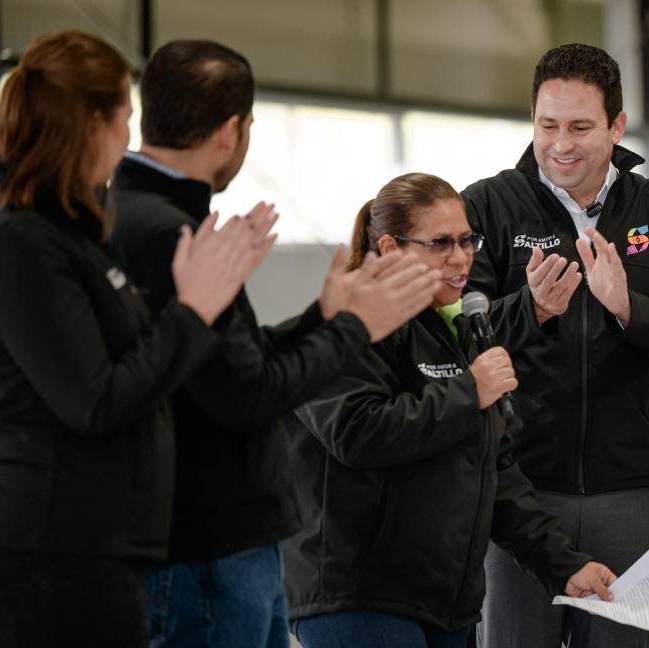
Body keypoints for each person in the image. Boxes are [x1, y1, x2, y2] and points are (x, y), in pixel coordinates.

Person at [110, 40, 442, 648]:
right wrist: (354, 328)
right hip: (208, 543)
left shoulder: (142, 214)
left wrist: (323, 315)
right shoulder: (166, 232)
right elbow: (247, 394)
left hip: (216, 541)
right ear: (232, 131)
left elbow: (234, 360)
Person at [0, 31, 272, 647]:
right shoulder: (21, 242)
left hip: (101, 545)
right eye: (124, 119)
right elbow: (96, 398)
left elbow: (134, 363)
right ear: (91, 125)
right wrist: (194, 309)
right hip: (55, 553)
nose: (127, 140)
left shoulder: (73, 231)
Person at [462, 43, 649, 648]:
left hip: (628, 492)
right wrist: (530, 311)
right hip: (517, 491)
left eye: (581, 127)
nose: (561, 144)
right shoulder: (486, 205)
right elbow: (456, 343)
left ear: (616, 126)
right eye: (546, 125)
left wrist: (630, 309)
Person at [284, 172, 617, 648]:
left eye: (467, 240)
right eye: (440, 243)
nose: (461, 259)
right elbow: (354, 432)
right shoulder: (346, 322)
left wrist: (564, 565)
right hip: (362, 596)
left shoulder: (454, 333)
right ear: (391, 248)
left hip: (446, 602)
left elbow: (493, 474)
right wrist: (469, 393)